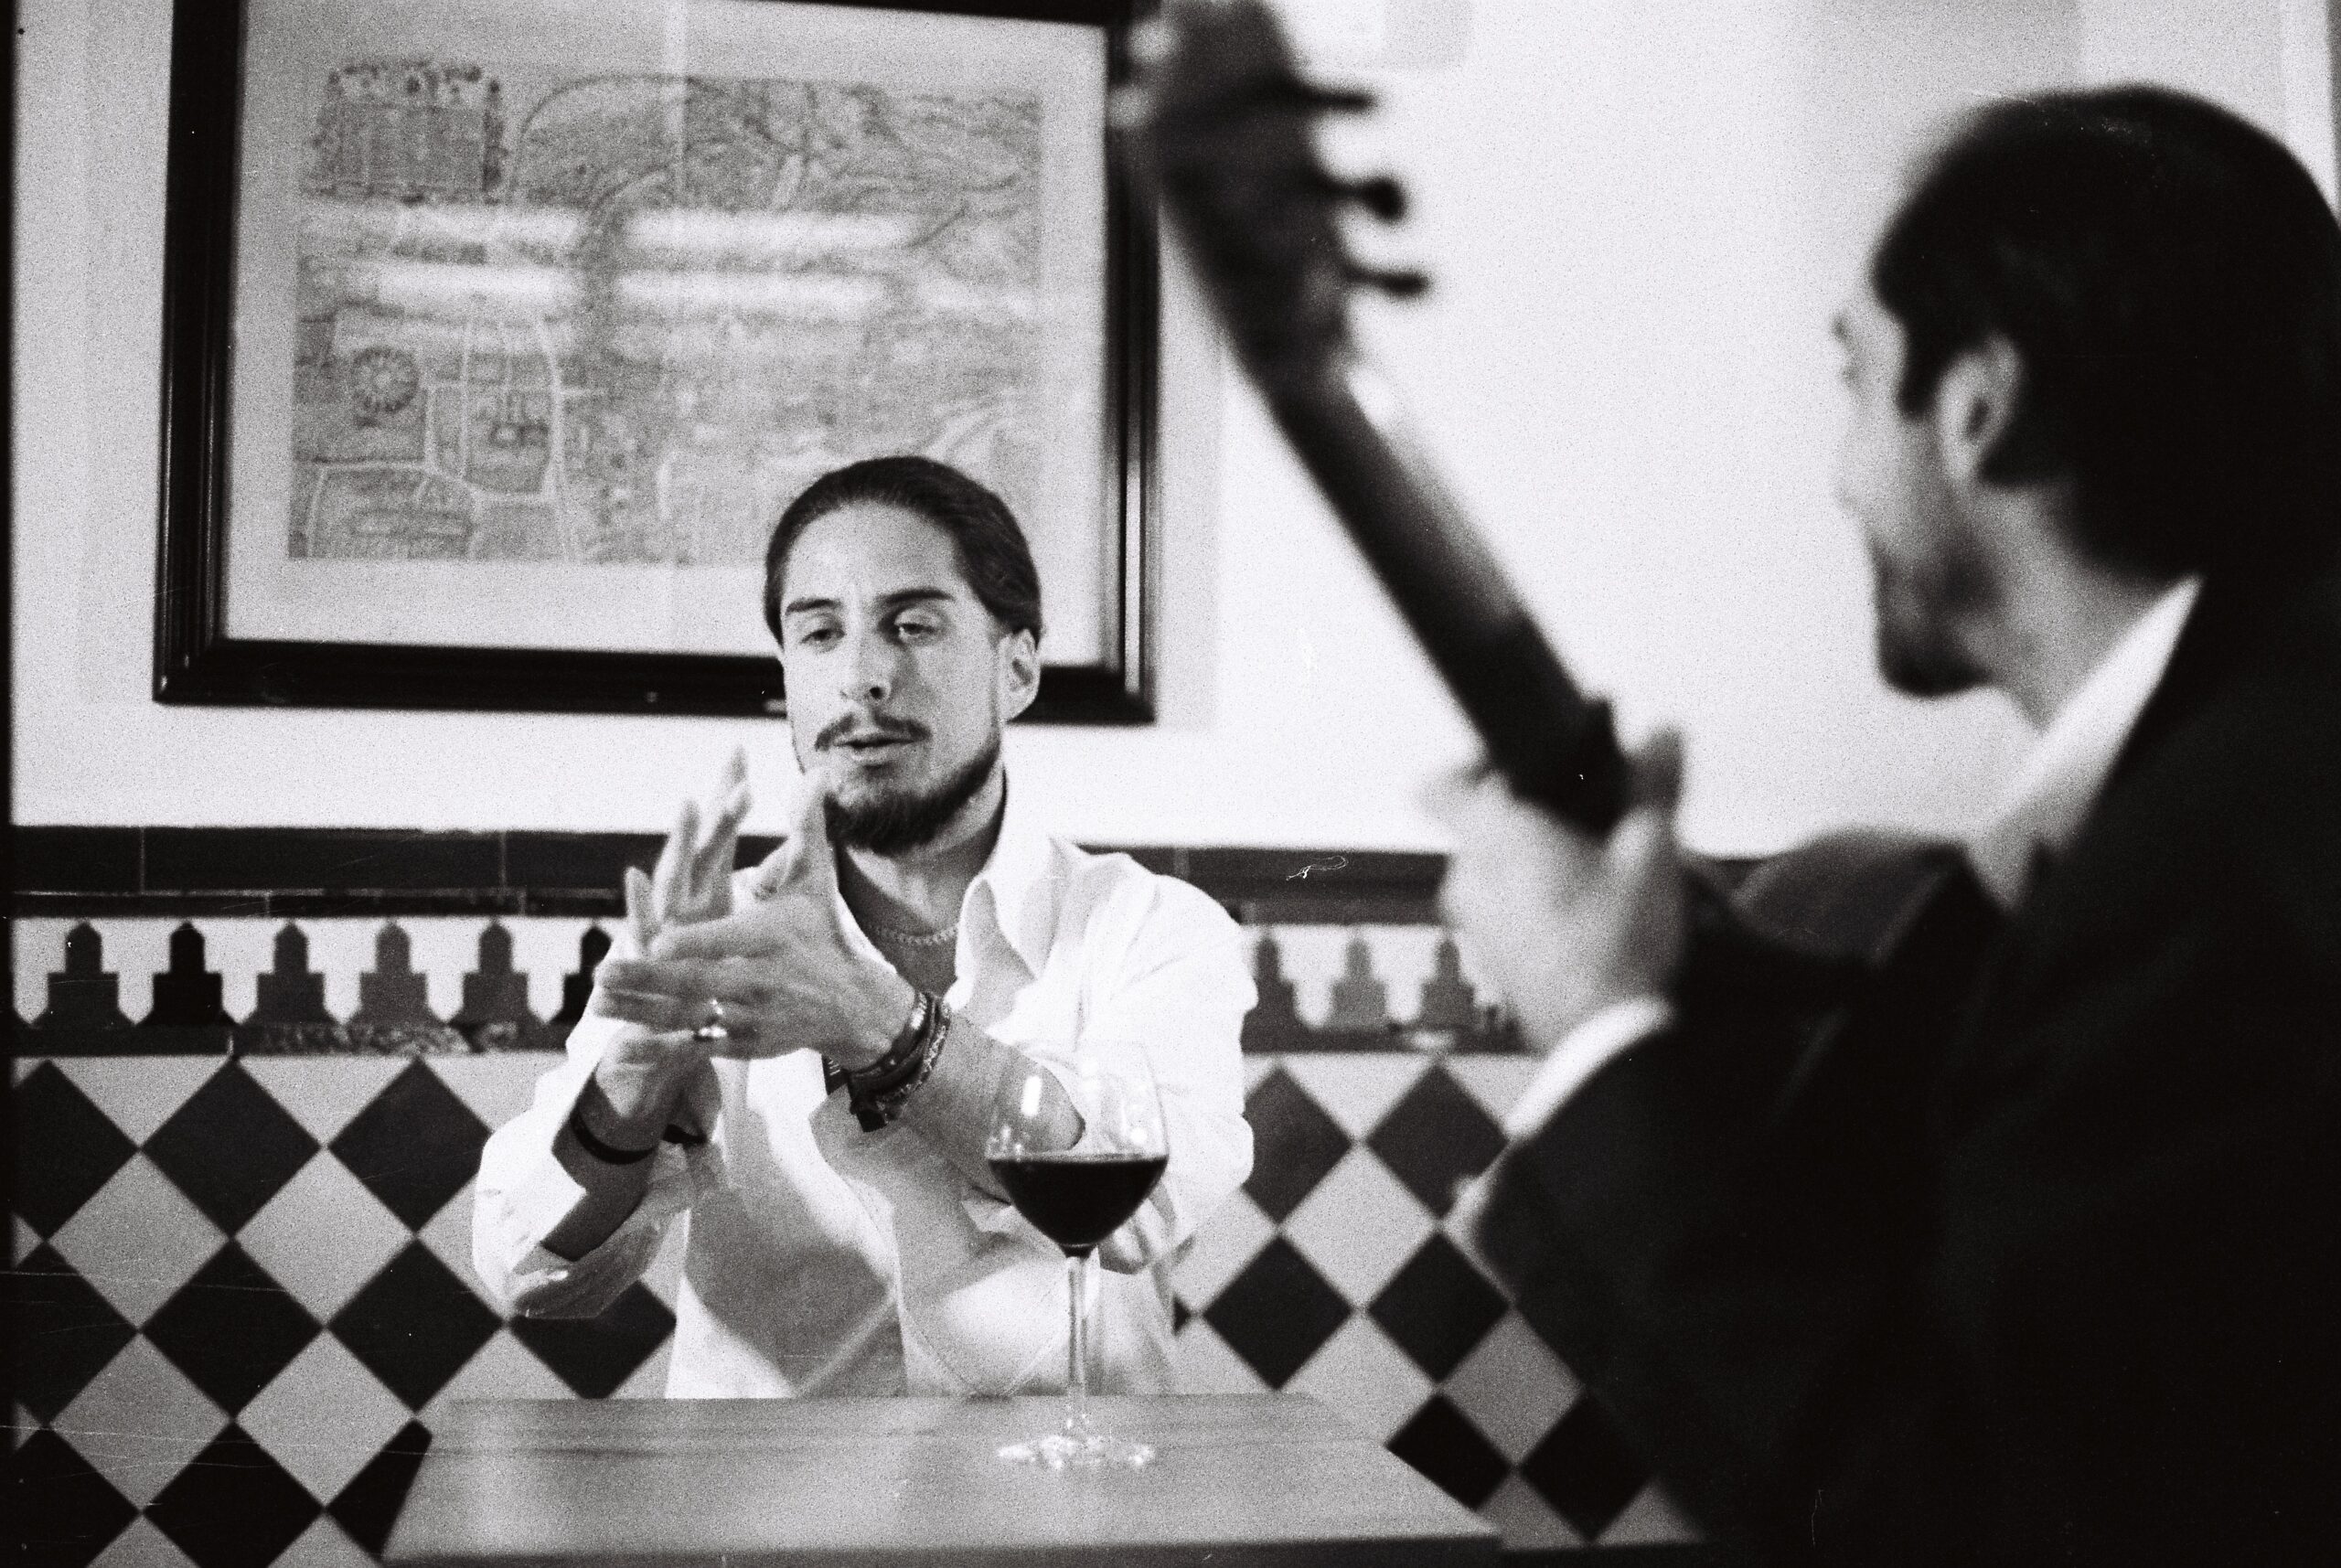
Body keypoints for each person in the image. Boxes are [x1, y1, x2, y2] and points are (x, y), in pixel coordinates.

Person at [1431, 89, 2341, 1565]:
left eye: (1855, 380)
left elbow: (1955, 1509)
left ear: (1979, 408)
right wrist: (1705, 989)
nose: (1839, 473)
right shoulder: (2237, 773)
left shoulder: (2213, 859)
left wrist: (1591, 1017)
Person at [474, 455, 1254, 1397]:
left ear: (1016, 668)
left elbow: (1141, 1206)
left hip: (1063, 1478)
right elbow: (529, 1275)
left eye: (912, 625)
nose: (861, 677)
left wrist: (874, 1020)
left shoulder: (1150, 926)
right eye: (819, 633)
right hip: (769, 1490)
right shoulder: (709, 938)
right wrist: (633, 1084)